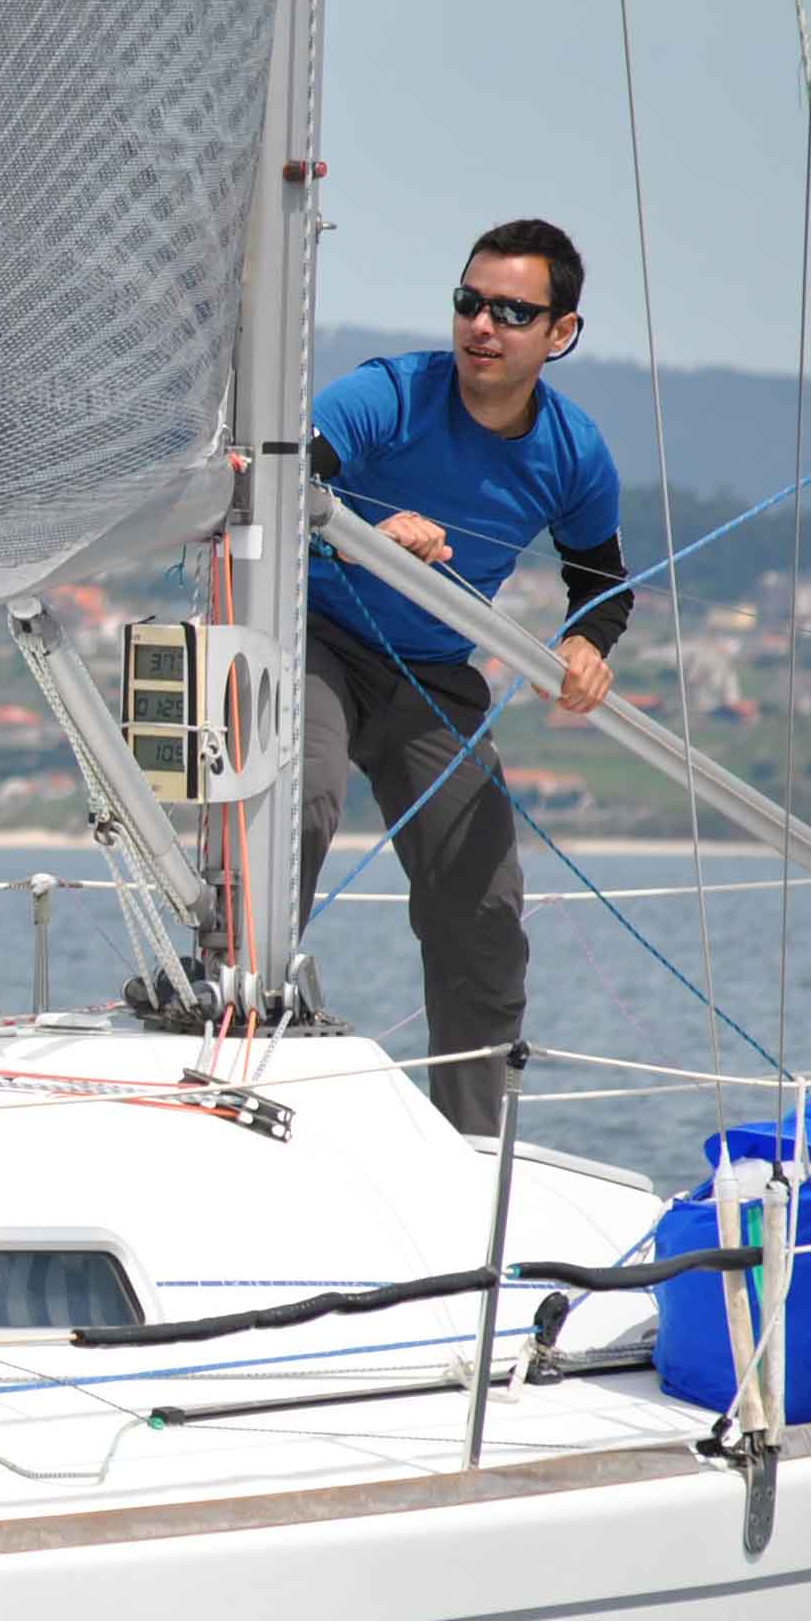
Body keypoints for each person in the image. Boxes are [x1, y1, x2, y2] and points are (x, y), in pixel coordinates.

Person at [299, 216, 635, 1136]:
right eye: (469, 303)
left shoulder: (573, 452)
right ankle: (236, 1027)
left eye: (512, 312)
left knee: (483, 903)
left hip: (433, 671)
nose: (482, 326)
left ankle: (469, 1147)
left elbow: (602, 582)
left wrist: (586, 646)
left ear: (560, 332)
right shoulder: (385, 395)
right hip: (314, 636)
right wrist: (360, 537)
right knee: (304, 799)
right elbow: (270, 488)